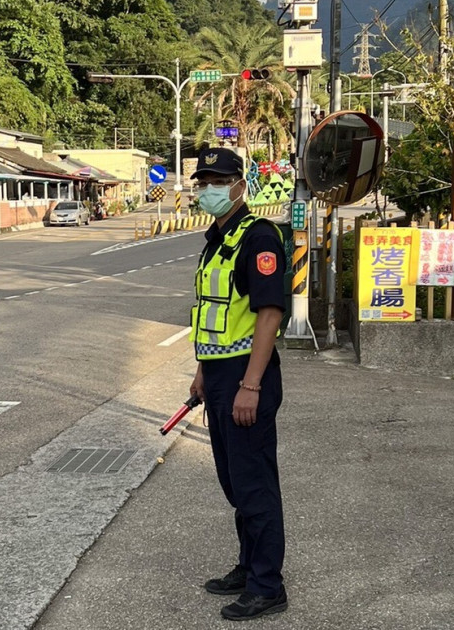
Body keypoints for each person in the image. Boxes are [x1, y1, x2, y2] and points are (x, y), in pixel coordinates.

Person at [188, 146, 289, 621]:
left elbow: (269, 312)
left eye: (217, 181)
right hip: (221, 373)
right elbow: (215, 314)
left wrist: (250, 385)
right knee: (234, 481)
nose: (208, 189)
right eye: (202, 182)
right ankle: (249, 567)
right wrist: (202, 373)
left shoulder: (258, 238)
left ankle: (268, 585)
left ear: (239, 186)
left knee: (254, 484)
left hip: (249, 374)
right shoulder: (216, 238)